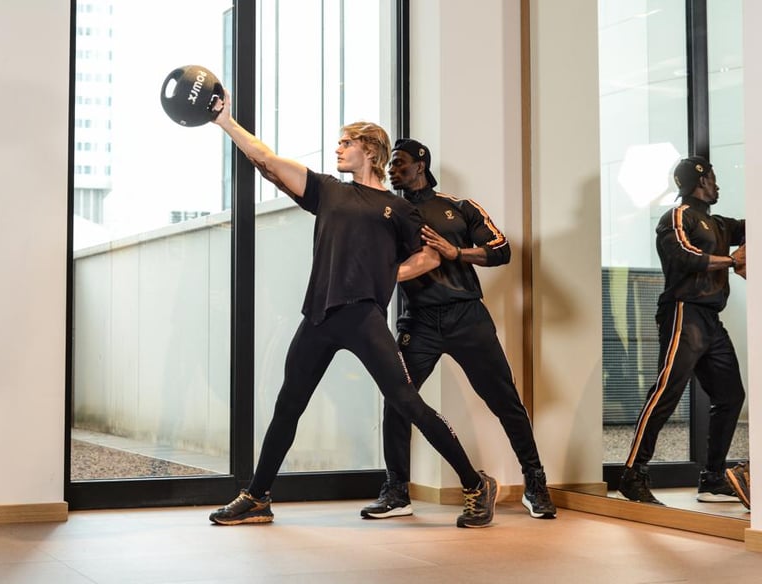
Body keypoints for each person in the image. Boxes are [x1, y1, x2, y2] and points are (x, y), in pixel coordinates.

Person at [207, 92, 498, 528]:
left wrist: (386, 277)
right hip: (319, 315)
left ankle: (476, 485)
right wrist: (225, 122)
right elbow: (266, 159)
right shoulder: (328, 190)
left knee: (407, 403)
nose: (338, 148)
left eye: (346, 142)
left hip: (363, 318)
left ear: (371, 150)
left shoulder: (399, 209)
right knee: (288, 406)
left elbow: (430, 256)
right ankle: (257, 497)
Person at [360, 139, 556, 520]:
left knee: (505, 401)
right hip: (418, 321)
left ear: (421, 165)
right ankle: (397, 491)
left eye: (400, 163)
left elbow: (501, 250)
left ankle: (535, 483)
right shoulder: (390, 212)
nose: (392, 170)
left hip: (467, 317)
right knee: (398, 400)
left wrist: (457, 253)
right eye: (391, 165)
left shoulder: (460, 207)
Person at [617, 156, 746, 505]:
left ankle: (712, 478)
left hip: (711, 319)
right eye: (713, 178)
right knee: (666, 392)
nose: (717, 185)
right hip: (683, 312)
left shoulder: (719, 224)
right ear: (700, 181)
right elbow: (684, 257)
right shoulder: (677, 216)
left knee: (731, 396)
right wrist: (732, 261)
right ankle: (632, 474)